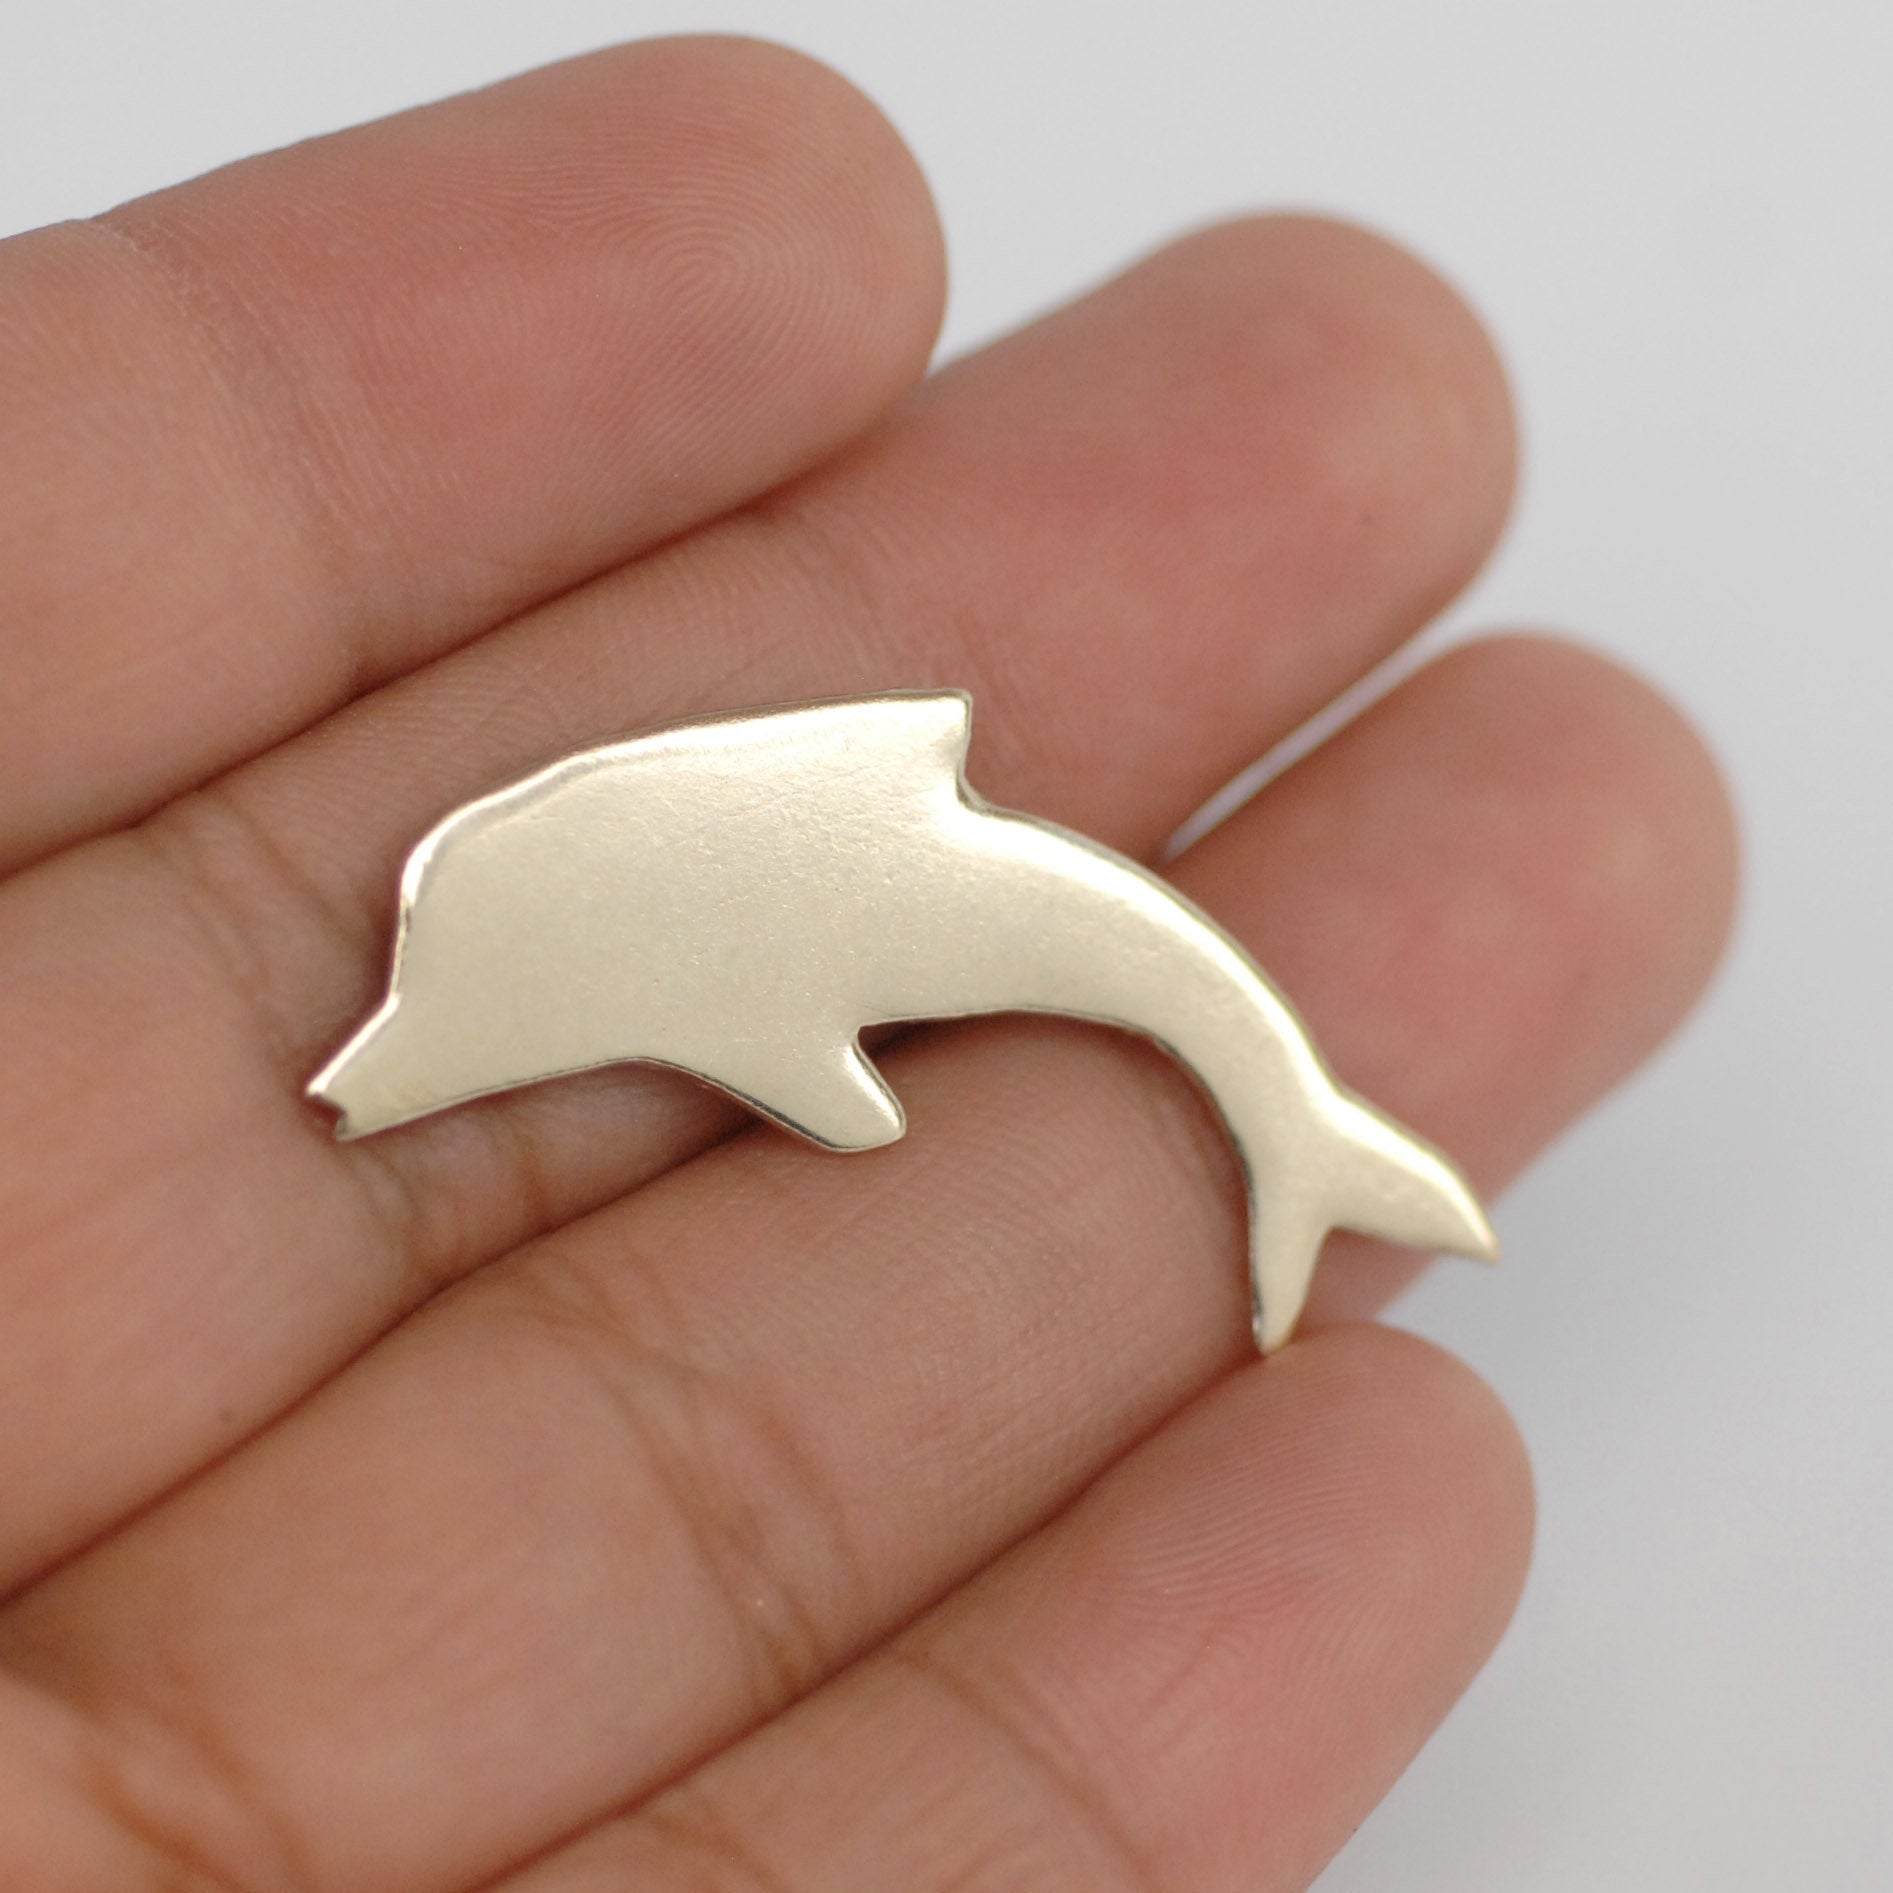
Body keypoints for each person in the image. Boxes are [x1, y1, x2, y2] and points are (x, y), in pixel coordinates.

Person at [0, 34, 1736, 1892]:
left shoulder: (599, 923)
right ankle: (1290, 1129)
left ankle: (1293, 1135)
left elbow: (802, 1065)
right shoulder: (538, 902)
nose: (382, 1061)